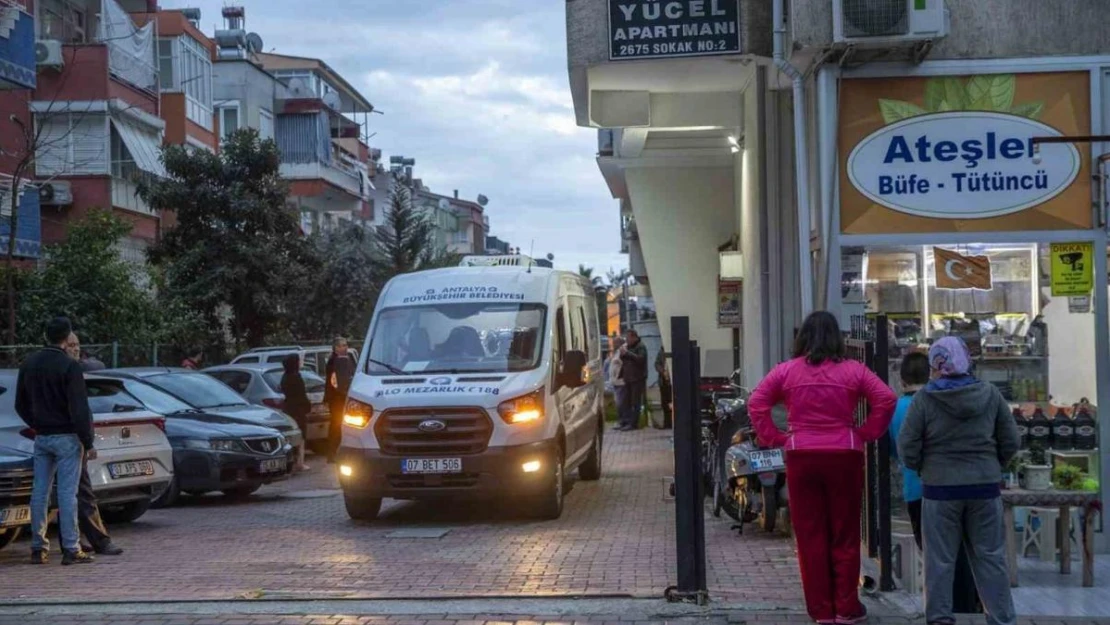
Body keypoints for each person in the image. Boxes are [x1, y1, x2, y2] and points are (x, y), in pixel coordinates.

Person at [748, 311, 896, 625]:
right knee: (844, 533)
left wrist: (775, 438)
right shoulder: (854, 370)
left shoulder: (786, 372)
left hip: (801, 455)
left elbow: (757, 402)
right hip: (845, 454)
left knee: (810, 535)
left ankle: (821, 611)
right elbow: (885, 398)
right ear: (837, 338)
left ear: (801, 337)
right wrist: (866, 433)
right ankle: (846, 607)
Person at [897, 337, 1018, 625]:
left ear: (935, 365)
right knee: (990, 557)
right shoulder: (990, 394)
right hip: (984, 488)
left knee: (939, 561)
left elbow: (907, 446)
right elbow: (1011, 440)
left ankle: (939, 619)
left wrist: (924, 468)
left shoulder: (924, 399)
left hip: (940, 491)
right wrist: (993, 465)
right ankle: (1001, 619)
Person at [889, 351, 981, 614]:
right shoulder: (941, 401)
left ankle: (944, 607)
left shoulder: (896, 409)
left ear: (901, 379)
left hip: (915, 490)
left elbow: (895, 450)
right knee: (960, 550)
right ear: (931, 373)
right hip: (952, 484)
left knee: (931, 554)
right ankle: (964, 606)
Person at [16, 317, 95, 565]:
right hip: (68, 436)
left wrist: (37, 423)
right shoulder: (70, 366)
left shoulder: (29, 364)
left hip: (42, 436)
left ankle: (38, 547)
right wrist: (88, 441)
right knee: (67, 493)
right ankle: (71, 548)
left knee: (39, 491)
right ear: (67, 337)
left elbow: (20, 404)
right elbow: (79, 408)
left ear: (45, 336)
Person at [62, 333, 123, 556]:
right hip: (70, 440)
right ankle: (99, 540)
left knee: (69, 492)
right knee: (82, 491)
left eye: (78, 345)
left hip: (65, 438)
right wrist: (87, 441)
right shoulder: (67, 371)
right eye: (71, 345)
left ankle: (72, 539)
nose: (76, 349)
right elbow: (77, 410)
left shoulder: (75, 370)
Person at [325, 337, 357, 461]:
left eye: (346, 345)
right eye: (342, 345)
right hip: (337, 398)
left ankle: (336, 452)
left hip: (340, 397)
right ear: (336, 347)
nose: (345, 347)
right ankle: (332, 453)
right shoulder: (335, 361)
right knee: (336, 425)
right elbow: (335, 381)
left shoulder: (343, 359)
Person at [280, 353, 312, 472]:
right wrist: (308, 406)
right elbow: (301, 395)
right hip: (298, 410)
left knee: (292, 435)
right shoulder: (296, 377)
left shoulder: (284, 377)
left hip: (288, 409)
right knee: (301, 435)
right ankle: (300, 462)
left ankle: (293, 462)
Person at [617, 329, 647, 431]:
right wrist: (623, 354)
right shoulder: (628, 347)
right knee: (626, 401)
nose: (627, 340)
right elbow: (625, 361)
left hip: (637, 378)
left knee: (635, 402)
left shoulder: (640, 346)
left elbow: (641, 359)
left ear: (634, 337)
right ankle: (625, 421)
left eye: (628, 338)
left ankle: (633, 423)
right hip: (628, 378)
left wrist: (628, 354)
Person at [608, 336, 626, 430]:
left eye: (615, 343)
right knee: (618, 402)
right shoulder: (616, 352)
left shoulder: (622, 351)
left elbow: (622, 364)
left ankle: (622, 421)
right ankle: (621, 420)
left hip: (620, 382)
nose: (613, 345)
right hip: (615, 381)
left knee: (620, 403)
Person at [654, 347, 672, 429]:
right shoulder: (661, 351)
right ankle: (667, 423)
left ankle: (672, 422)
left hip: (672, 381)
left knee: (672, 403)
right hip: (663, 381)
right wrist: (662, 371)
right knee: (664, 403)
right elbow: (657, 363)